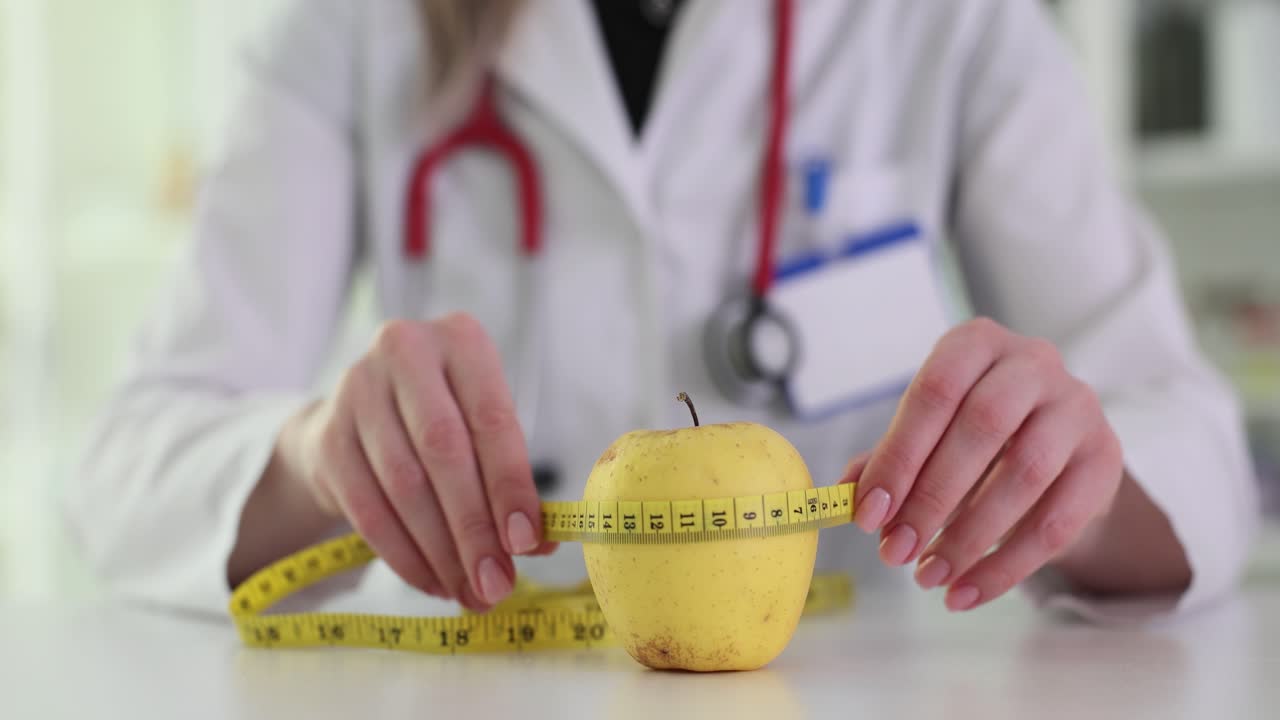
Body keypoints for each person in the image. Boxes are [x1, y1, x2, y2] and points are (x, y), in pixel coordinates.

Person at [63, 0, 1259, 623]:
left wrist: (1069, 476)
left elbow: (1191, 439)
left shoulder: (951, 20)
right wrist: (320, 458)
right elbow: (123, 472)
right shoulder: (345, 27)